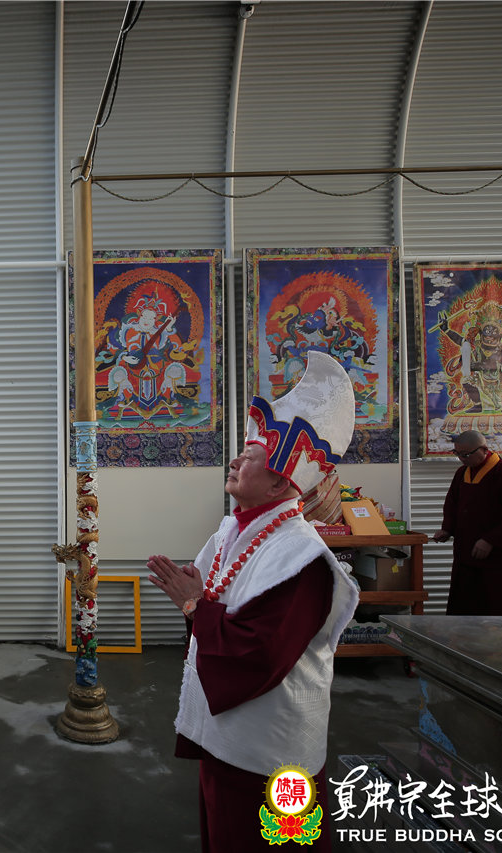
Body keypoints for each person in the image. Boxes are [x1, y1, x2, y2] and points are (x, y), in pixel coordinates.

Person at [147, 351, 359, 852]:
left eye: (249, 457)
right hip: (226, 735)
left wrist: (195, 606)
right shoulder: (230, 531)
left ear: (282, 479)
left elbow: (259, 657)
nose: (235, 462)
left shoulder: (303, 558)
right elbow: (214, 603)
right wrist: (196, 595)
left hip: (271, 749)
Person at [432, 430, 502, 615]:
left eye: (466, 454)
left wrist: (490, 540)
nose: (461, 459)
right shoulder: (462, 473)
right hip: (467, 556)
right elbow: (452, 504)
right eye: (457, 453)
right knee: (467, 612)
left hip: (500, 561)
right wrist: (447, 529)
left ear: (484, 450)